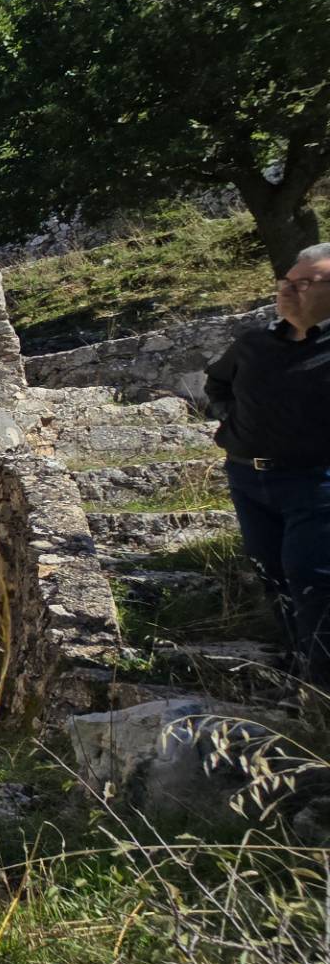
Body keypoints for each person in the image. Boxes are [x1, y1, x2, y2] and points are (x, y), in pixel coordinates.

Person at [203, 241, 330, 692]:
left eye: (304, 283)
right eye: (286, 282)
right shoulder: (254, 344)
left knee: (312, 579)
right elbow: (217, 381)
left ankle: (321, 694)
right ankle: (300, 669)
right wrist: (232, 421)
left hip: (315, 484)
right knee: (271, 574)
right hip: (247, 479)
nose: (288, 291)